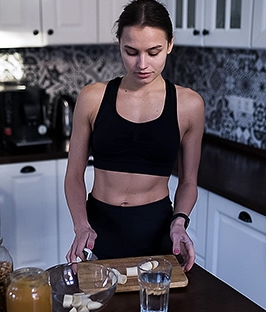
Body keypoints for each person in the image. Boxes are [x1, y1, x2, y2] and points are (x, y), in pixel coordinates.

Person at [64, 0, 205, 272]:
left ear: (170, 45)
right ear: (119, 45)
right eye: (131, 52)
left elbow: (189, 182)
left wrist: (179, 222)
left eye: (154, 52)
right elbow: (73, 175)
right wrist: (81, 224)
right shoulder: (92, 97)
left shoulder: (189, 105)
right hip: (98, 230)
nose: (142, 64)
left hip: (156, 230)